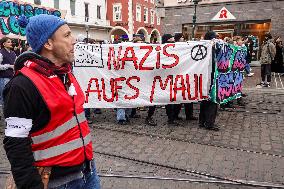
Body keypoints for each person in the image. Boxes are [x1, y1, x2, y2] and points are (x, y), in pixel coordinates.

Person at [3, 14, 100, 189]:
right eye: (67, 35)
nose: (74, 40)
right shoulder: (21, 85)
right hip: (57, 182)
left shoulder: (66, 73)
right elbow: (16, 144)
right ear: (48, 44)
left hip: (88, 173)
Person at [198, 31, 219, 131]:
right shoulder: (209, 49)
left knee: (205, 100)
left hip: (207, 78)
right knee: (212, 101)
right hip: (210, 79)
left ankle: (202, 121)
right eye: (214, 38)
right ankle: (209, 123)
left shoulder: (209, 48)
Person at [0, 37, 16, 106]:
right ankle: (3, 113)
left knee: (11, 95)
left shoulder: (13, 53)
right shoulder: (1, 53)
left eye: (11, 42)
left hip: (12, 77)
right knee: (3, 95)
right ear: (4, 44)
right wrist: (9, 66)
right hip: (4, 78)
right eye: (8, 42)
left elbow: (16, 62)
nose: (11, 43)